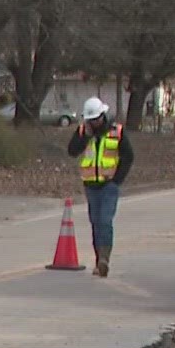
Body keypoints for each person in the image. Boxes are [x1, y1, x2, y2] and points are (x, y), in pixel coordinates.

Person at [66, 96, 134, 277]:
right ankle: (98, 260)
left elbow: (128, 157)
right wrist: (85, 136)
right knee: (95, 223)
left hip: (109, 185)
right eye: (91, 120)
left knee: (105, 221)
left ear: (103, 116)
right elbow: (72, 151)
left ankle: (104, 259)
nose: (94, 123)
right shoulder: (83, 132)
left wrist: (117, 180)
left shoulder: (116, 131)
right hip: (91, 185)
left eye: (96, 119)